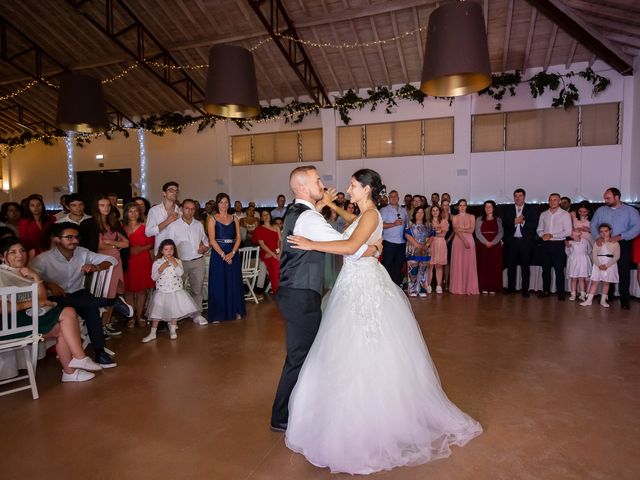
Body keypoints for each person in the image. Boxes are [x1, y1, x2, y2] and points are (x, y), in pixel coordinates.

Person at [284, 169, 482, 475]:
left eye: (352, 185)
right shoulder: (366, 214)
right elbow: (353, 228)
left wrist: (312, 244)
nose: (347, 189)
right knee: (348, 350)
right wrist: (336, 209)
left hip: (363, 287)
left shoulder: (373, 215)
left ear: (365, 189)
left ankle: (372, 419)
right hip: (353, 284)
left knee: (364, 349)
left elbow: (350, 247)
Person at [270, 166, 374, 433]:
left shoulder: (303, 214)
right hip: (300, 294)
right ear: (303, 187)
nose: (323, 184)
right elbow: (345, 245)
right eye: (317, 180)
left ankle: (295, 408)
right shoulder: (308, 218)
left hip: (297, 292)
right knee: (300, 356)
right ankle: (282, 416)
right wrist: (372, 248)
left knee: (304, 355)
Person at [30, 222, 133, 368]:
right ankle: (111, 302)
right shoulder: (44, 259)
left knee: (90, 310)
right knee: (88, 305)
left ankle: (100, 352)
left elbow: (111, 260)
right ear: (57, 239)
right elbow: (29, 277)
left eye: (77, 237)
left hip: (79, 294)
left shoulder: (82, 252)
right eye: (69, 237)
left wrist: (96, 267)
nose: (75, 240)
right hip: (55, 298)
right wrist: (47, 284)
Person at [0, 238, 102, 382]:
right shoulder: (2, 274)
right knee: (68, 312)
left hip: (29, 318)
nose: (20, 255)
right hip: (10, 323)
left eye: (22, 250)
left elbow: (42, 299)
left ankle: (70, 372)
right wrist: (32, 303)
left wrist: (35, 277)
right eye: (13, 252)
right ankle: (79, 359)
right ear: (2, 256)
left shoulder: (25, 272)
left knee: (64, 325)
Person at [590, 188, 640, 309]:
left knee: (623, 270)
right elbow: (593, 224)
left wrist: (621, 236)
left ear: (617, 197)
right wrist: (597, 237)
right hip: (604, 243)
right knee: (606, 269)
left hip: (622, 242)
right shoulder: (600, 210)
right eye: (605, 198)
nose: (605, 200)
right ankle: (608, 295)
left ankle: (624, 299)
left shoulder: (630, 211)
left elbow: (637, 227)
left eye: (608, 198)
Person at [142, 239, 199, 342]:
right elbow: (154, 277)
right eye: (166, 249)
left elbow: (180, 273)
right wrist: (161, 269)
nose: (169, 251)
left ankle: (173, 330)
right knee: (156, 313)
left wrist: (175, 263)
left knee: (174, 311)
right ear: (162, 251)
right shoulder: (157, 263)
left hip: (175, 291)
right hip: (162, 292)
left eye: (171, 249)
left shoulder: (178, 261)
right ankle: (152, 333)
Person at [165, 198, 209, 325]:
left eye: (192, 209)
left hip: (197, 261)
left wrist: (204, 247)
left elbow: (205, 241)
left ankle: (197, 314)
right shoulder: (174, 226)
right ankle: (174, 317)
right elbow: (169, 244)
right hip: (180, 262)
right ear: (181, 209)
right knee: (177, 289)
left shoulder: (199, 225)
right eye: (187, 208)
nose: (189, 211)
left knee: (197, 289)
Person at [207, 193, 245, 323]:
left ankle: (235, 310)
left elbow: (239, 238)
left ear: (229, 204)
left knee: (233, 282)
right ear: (217, 204)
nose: (224, 205)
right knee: (218, 283)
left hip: (232, 253)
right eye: (221, 202)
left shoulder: (235, 218)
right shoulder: (212, 219)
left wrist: (232, 253)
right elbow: (212, 240)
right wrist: (223, 255)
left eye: (226, 202)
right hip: (218, 255)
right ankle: (218, 314)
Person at [94, 195, 129, 335]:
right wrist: (114, 245)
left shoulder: (113, 223)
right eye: (102, 205)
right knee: (103, 295)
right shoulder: (93, 224)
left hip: (116, 263)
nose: (106, 208)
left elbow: (126, 243)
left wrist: (111, 243)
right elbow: (97, 245)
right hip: (102, 264)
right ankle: (100, 327)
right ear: (97, 207)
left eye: (108, 205)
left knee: (113, 294)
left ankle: (106, 324)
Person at [122, 202, 155, 328]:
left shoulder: (145, 226)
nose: (133, 213)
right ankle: (131, 317)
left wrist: (139, 249)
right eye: (130, 211)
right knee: (128, 290)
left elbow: (152, 243)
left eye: (136, 211)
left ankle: (140, 316)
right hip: (127, 260)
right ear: (126, 213)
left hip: (142, 259)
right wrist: (128, 250)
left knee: (142, 290)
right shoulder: (121, 227)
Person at [502, 188, 538, 297]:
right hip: (512, 242)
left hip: (525, 243)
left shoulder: (531, 209)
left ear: (524, 197)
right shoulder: (508, 209)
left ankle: (525, 289)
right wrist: (514, 221)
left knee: (525, 267)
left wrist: (523, 222)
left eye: (520, 196)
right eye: (516, 196)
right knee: (511, 266)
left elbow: (534, 225)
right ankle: (511, 288)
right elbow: (504, 224)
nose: (518, 198)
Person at [537, 193, 573, 299]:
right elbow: (539, 229)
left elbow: (568, 232)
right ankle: (546, 290)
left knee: (559, 270)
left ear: (559, 201)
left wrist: (552, 235)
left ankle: (560, 293)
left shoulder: (565, 214)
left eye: (555, 200)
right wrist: (542, 235)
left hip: (558, 244)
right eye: (550, 200)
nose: (552, 202)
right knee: (545, 270)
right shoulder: (543, 214)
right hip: (545, 244)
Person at [580, 224, 620, 308]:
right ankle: (589, 300)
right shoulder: (597, 242)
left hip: (609, 264)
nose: (604, 233)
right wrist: (598, 264)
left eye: (606, 231)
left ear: (610, 231)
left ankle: (603, 300)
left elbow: (617, 256)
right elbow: (594, 255)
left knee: (606, 283)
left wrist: (607, 265)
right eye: (601, 232)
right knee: (595, 282)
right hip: (599, 263)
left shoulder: (615, 243)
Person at [450, 199, 479, 295]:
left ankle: (469, 287)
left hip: (470, 240)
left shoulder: (472, 216)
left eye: (464, 205)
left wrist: (461, 229)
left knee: (469, 264)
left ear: (466, 206)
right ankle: (458, 287)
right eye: (460, 205)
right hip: (458, 241)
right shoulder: (454, 217)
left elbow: (471, 230)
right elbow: (456, 230)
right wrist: (464, 240)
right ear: (458, 207)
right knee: (458, 263)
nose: (462, 207)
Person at [475, 200, 504, 295]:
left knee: (494, 266)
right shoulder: (479, 219)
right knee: (483, 266)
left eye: (490, 206)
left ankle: (493, 287)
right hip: (483, 245)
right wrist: (486, 242)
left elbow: (501, 232)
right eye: (486, 207)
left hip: (495, 246)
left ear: (493, 208)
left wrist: (493, 242)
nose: (488, 208)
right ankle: (483, 286)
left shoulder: (498, 219)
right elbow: (477, 233)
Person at [379, 190, 407, 287]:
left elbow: (406, 224)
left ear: (398, 198)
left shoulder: (403, 210)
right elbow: (380, 225)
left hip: (401, 242)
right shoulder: (384, 210)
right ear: (388, 199)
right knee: (387, 264)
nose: (393, 198)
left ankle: (397, 285)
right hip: (389, 242)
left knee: (399, 265)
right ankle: (386, 285)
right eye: (391, 196)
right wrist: (393, 224)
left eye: (395, 196)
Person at [145, 182, 180, 254]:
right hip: (161, 252)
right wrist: (167, 221)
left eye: (176, 191)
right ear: (164, 193)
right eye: (171, 190)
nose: (174, 193)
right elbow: (148, 232)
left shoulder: (180, 211)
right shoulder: (154, 210)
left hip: (177, 251)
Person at [252, 209, 281, 294]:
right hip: (266, 253)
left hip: (276, 252)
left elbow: (280, 241)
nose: (266, 216)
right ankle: (277, 290)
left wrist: (278, 253)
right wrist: (273, 254)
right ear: (261, 218)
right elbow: (262, 244)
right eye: (264, 215)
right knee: (275, 263)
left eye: (267, 214)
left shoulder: (276, 227)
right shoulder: (259, 229)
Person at [404, 206, 431, 297]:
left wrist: (426, 245)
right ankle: (412, 290)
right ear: (414, 214)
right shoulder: (410, 224)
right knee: (413, 270)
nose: (420, 214)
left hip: (424, 251)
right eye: (418, 212)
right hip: (413, 251)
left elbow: (432, 236)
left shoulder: (428, 225)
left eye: (422, 213)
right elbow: (407, 235)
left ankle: (422, 289)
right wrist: (419, 245)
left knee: (423, 270)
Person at [565, 230, 592, 301]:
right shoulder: (570, 242)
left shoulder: (585, 241)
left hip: (583, 262)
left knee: (581, 279)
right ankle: (573, 294)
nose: (576, 232)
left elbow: (589, 250)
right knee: (574, 279)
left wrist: (583, 256)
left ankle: (582, 294)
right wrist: (568, 246)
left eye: (577, 231)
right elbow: (568, 253)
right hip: (574, 262)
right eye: (574, 232)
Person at [427, 204, 448, 293]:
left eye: (437, 210)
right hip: (431, 244)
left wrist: (434, 233)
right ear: (431, 212)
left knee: (439, 265)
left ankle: (439, 285)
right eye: (433, 210)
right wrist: (437, 232)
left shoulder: (444, 221)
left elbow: (443, 234)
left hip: (440, 243)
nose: (435, 212)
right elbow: (427, 234)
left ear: (439, 212)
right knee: (430, 265)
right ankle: (428, 285)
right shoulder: (428, 222)